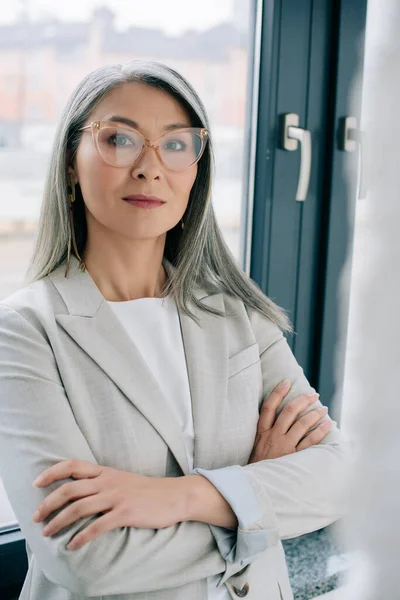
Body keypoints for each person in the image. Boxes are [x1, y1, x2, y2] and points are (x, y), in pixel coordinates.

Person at [0, 60, 350, 600]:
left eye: (177, 144)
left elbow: (338, 476)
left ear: (197, 168)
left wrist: (183, 496)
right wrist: (254, 495)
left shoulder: (239, 313)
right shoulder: (23, 332)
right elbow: (87, 558)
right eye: (119, 139)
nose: (149, 167)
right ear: (71, 161)